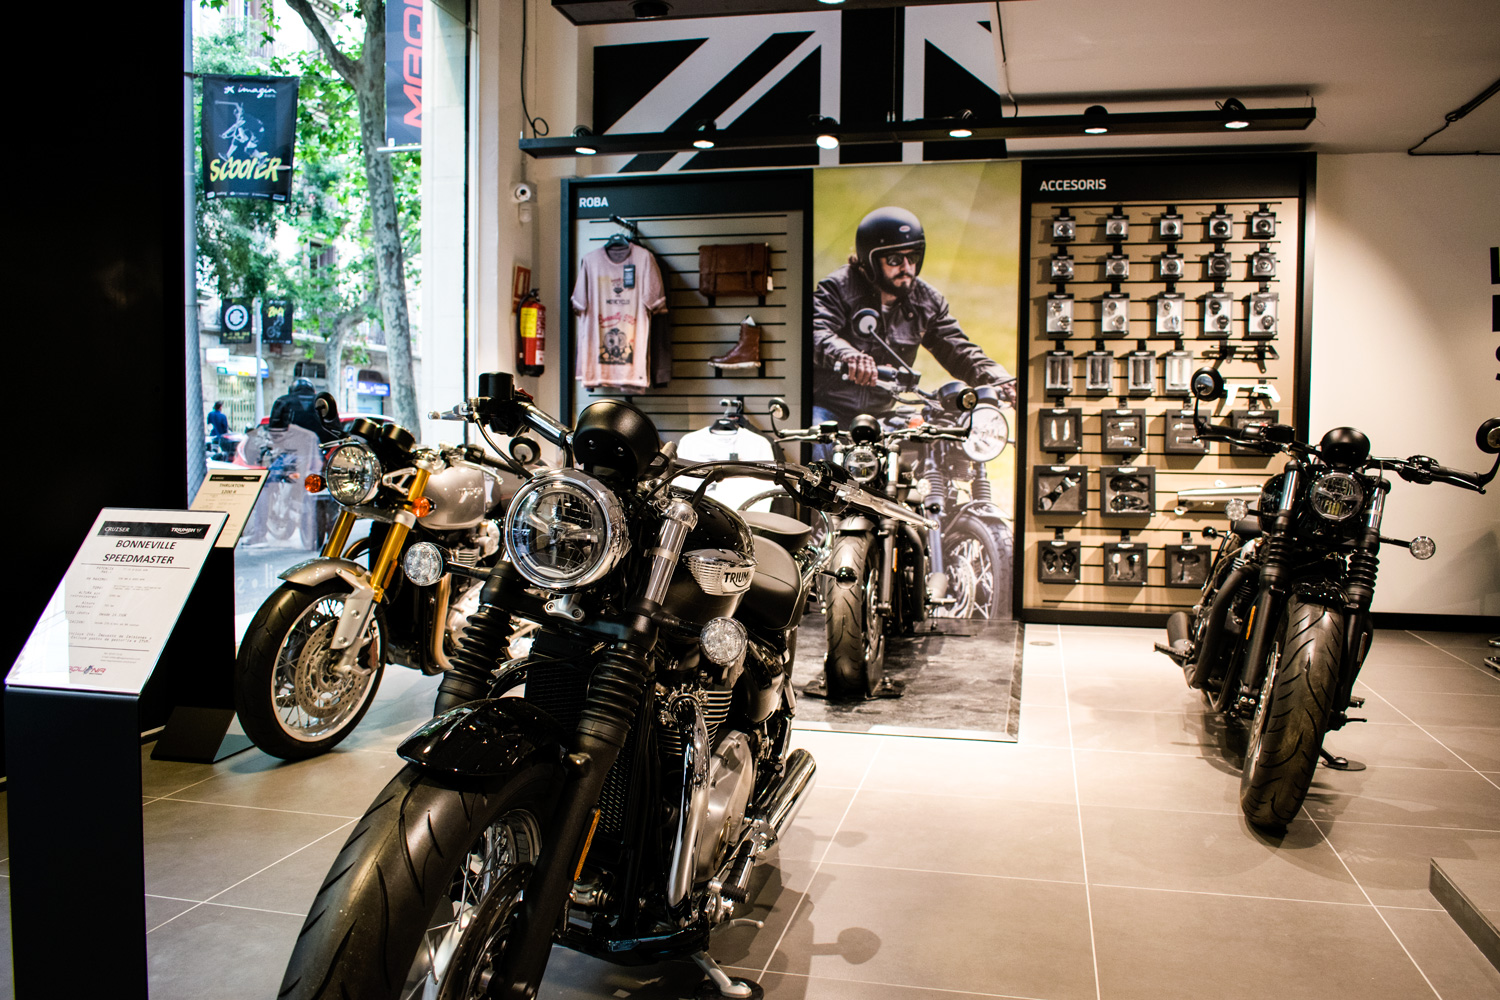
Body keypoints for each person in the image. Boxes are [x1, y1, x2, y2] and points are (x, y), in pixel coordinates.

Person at [812, 206, 1016, 440]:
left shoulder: (926, 302)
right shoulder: (838, 289)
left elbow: (959, 350)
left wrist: (1001, 380)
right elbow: (816, 332)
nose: (906, 268)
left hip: (881, 415)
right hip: (829, 409)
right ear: (870, 259)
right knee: (819, 445)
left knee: (937, 444)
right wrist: (847, 355)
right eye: (895, 259)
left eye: (913, 258)